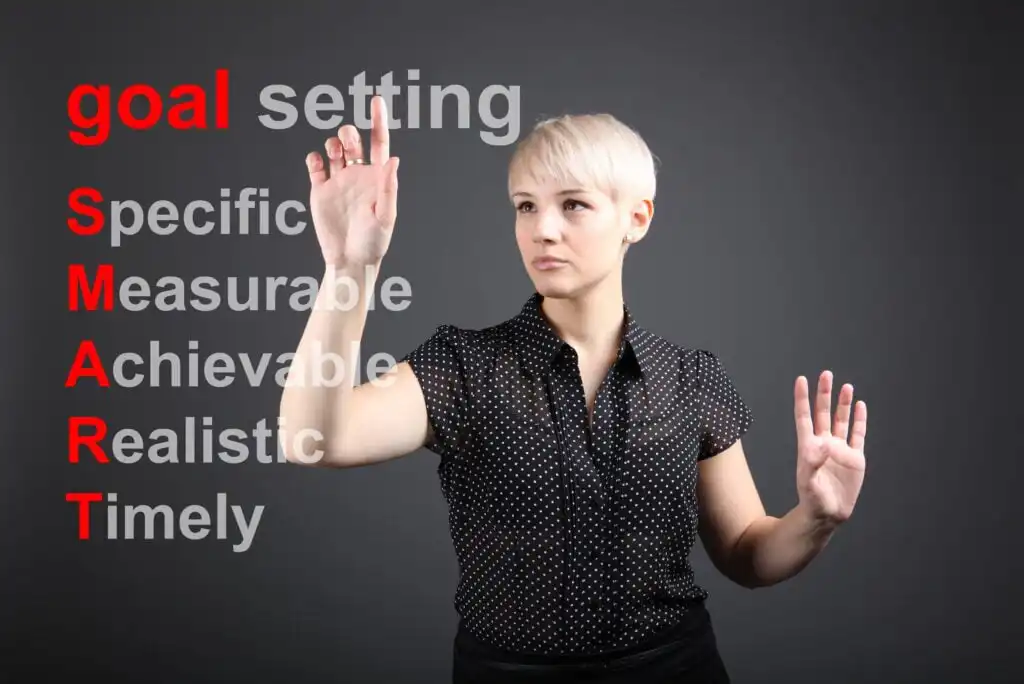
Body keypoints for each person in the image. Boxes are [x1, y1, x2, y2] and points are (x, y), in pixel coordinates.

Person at [279, 95, 869, 683]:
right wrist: (349, 270)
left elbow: (746, 552)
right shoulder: (464, 366)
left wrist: (816, 518)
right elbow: (313, 441)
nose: (544, 230)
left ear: (637, 219)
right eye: (526, 206)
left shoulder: (691, 379)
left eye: (574, 205)